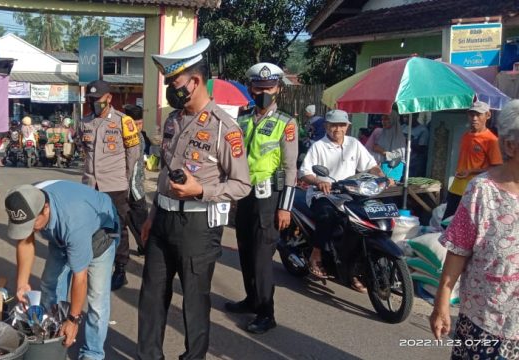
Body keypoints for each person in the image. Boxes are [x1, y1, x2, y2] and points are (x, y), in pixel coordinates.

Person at [137, 38, 251, 359]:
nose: (171, 88)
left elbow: (241, 184)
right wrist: (151, 215)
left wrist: (201, 190)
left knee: (194, 303)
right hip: (163, 221)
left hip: (198, 225)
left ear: (195, 81)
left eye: (174, 81)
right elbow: (164, 173)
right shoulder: (173, 120)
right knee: (151, 297)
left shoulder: (224, 128)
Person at [429, 99, 519, 359]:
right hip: (485, 322)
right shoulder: (483, 191)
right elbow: (458, 249)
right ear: (511, 145)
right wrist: (442, 301)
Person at [7, 180, 120, 360]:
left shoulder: (74, 222)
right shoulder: (26, 200)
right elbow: (25, 241)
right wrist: (22, 284)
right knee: (49, 284)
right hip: (61, 234)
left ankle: (93, 352)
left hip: (99, 234)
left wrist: (74, 319)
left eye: (32, 225)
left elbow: (80, 278)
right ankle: (53, 336)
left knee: (97, 298)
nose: (30, 230)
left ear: (45, 209)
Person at [224, 62, 297, 334]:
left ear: (278, 89)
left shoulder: (286, 123)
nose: (264, 92)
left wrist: (285, 208)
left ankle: (267, 313)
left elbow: (291, 168)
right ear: (251, 88)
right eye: (258, 87)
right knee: (244, 248)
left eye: (269, 87)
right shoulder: (241, 120)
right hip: (244, 194)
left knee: (262, 257)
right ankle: (251, 299)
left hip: (270, 198)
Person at [298, 109, 390, 291]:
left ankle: (355, 269)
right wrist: (319, 181)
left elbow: (371, 166)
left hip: (350, 194)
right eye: (333, 125)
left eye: (341, 125)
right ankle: (316, 255)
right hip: (322, 194)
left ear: (347, 126)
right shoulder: (318, 146)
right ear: (326, 126)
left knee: (363, 223)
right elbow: (304, 172)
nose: (337, 129)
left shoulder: (354, 144)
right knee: (327, 216)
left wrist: (383, 177)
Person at [78, 80, 141, 291]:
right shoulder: (84, 122)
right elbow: (84, 150)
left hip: (115, 185)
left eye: (97, 100)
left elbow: (134, 153)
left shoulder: (124, 122)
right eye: (90, 99)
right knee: (91, 226)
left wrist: (125, 176)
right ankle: (94, 264)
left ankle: (120, 269)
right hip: (90, 185)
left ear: (109, 99)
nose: (93, 103)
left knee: (118, 228)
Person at [442, 101, 503, 220]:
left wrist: (471, 171)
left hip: (475, 190)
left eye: (479, 115)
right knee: (447, 223)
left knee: (467, 224)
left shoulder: (491, 140)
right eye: (472, 114)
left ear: (488, 116)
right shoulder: (466, 135)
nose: (474, 118)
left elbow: (497, 167)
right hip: (457, 187)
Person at [122, 104, 148, 255]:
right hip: (126, 186)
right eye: (135, 124)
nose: (138, 127)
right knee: (130, 220)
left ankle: (145, 246)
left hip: (136, 187)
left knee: (141, 220)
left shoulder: (141, 137)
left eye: (140, 123)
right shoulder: (124, 136)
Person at [364, 113, 406, 182]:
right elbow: (369, 150)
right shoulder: (381, 133)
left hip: (393, 171)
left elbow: (399, 157)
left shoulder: (399, 137)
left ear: (393, 120)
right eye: (382, 119)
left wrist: (382, 151)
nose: (383, 121)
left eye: (387, 119)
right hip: (378, 170)